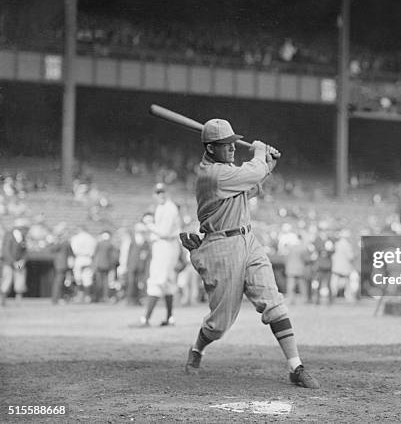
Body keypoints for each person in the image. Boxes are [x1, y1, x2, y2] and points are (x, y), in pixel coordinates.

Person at [180, 118, 319, 388]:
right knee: (219, 324)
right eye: (226, 145)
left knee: (273, 301)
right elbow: (251, 175)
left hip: (247, 239)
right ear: (210, 149)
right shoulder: (212, 174)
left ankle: (296, 366)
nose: (233, 148)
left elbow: (251, 187)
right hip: (221, 246)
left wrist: (268, 166)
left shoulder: (227, 170)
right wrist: (259, 154)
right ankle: (197, 349)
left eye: (234, 142)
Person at [133, 183, 181, 327]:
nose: (161, 195)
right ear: (154, 194)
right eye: (158, 192)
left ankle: (145, 318)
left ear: (167, 193)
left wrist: (149, 225)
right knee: (167, 283)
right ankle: (170, 317)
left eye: (163, 192)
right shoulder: (162, 207)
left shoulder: (169, 208)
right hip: (165, 245)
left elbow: (164, 232)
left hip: (166, 244)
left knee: (157, 279)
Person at [0, 218, 29, 306]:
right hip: (9, 263)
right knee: (7, 281)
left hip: (19, 264)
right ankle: (3, 301)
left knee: (20, 281)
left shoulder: (22, 237)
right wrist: (14, 262)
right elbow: (6, 251)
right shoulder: (9, 235)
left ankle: (18, 301)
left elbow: (25, 252)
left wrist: (22, 261)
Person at [125, 222, 151, 306]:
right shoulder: (132, 240)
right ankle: (130, 299)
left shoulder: (145, 242)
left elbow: (146, 254)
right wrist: (127, 265)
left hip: (141, 266)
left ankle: (137, 299)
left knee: (139, 283)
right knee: (131, 282)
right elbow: (129, 254)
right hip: (132, 265)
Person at [50, 223, 73, 305]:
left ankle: (57, 298)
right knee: (59, 282)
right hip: (62, 264)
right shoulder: (63, 241)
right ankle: (56, 299)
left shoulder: (61, 241)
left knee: (60, 282)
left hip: (60, 264)